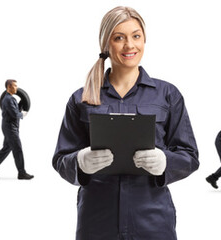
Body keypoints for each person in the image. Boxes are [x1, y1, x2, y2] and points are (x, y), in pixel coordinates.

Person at [51, 6, 198, 239]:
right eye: (119, 38)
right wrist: (80, 162)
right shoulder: (81, 98)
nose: (130, 45)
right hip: (97, 221)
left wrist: (165, 162)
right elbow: (61, 159)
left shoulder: (168, 95)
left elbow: (189, 156)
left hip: (152, 221)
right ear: (106, 45)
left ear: (144, 39)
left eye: (136, 36)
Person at [0, 79, 33, 180]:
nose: (17, 88)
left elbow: (14, 110)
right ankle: (22, 173)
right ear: (9, 87)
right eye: (15, 86)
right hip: (10, 127)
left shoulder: (11, 99)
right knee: (18, 149)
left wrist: (20, 105)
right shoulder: (8, 99)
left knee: (6, 148)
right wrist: (23, 114)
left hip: (10, 126)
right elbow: (15, 114)